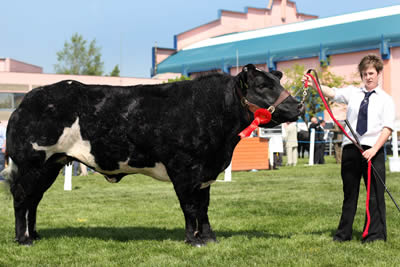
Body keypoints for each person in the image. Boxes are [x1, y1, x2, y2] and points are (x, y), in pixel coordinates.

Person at [305, 54, 395, 243]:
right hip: (351, 148)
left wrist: (374, 149)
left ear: (378, 73)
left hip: (373, 149)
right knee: (349, 194)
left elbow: (387, 128)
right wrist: (314, 85)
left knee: (375, 195)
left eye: (371, 73)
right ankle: (343, 234)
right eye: (364, 74)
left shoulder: (387, 100)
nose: (368, 77)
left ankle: (374, 235)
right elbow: (331, 92)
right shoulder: (353, 93)